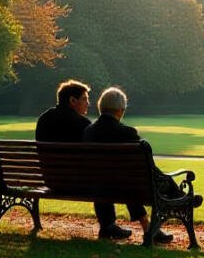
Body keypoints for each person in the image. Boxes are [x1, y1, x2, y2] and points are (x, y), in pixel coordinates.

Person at [83, 86, 202, 245]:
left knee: (128, 177)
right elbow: (145, 167)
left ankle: (147, 228)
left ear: (101, 108)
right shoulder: (127, 132)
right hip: (127, 187)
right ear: (120, 110)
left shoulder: (88, 132)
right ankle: (181, 198)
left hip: (97, 186)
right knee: (138, 178)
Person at [35, 80, 133, 240]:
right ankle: (108, 226)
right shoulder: (82, 124)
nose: (88, 103)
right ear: (72, 101)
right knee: (101, 174)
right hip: (76, 183)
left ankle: (109, 226)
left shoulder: (44, 119)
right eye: (85, 99)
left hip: (51, 180)